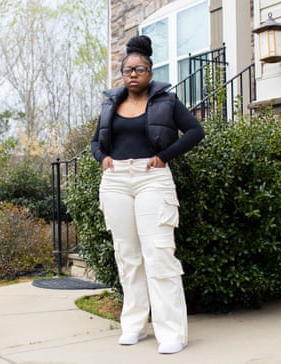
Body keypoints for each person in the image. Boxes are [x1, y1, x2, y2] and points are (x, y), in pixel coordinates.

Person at [91, 35, 204, 355]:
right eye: (127, 69)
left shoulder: (165, 100)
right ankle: (135, 325)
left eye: (139, 69)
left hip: (151, 178)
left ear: (150, 72)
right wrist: (103, 159)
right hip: (115, 182)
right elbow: (96, 142)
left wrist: (165, 156)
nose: (133, 74)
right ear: (122, 73)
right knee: (127, 256)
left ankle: (172, 333)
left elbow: (196, 131)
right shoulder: (111, 102)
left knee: (159, 253)